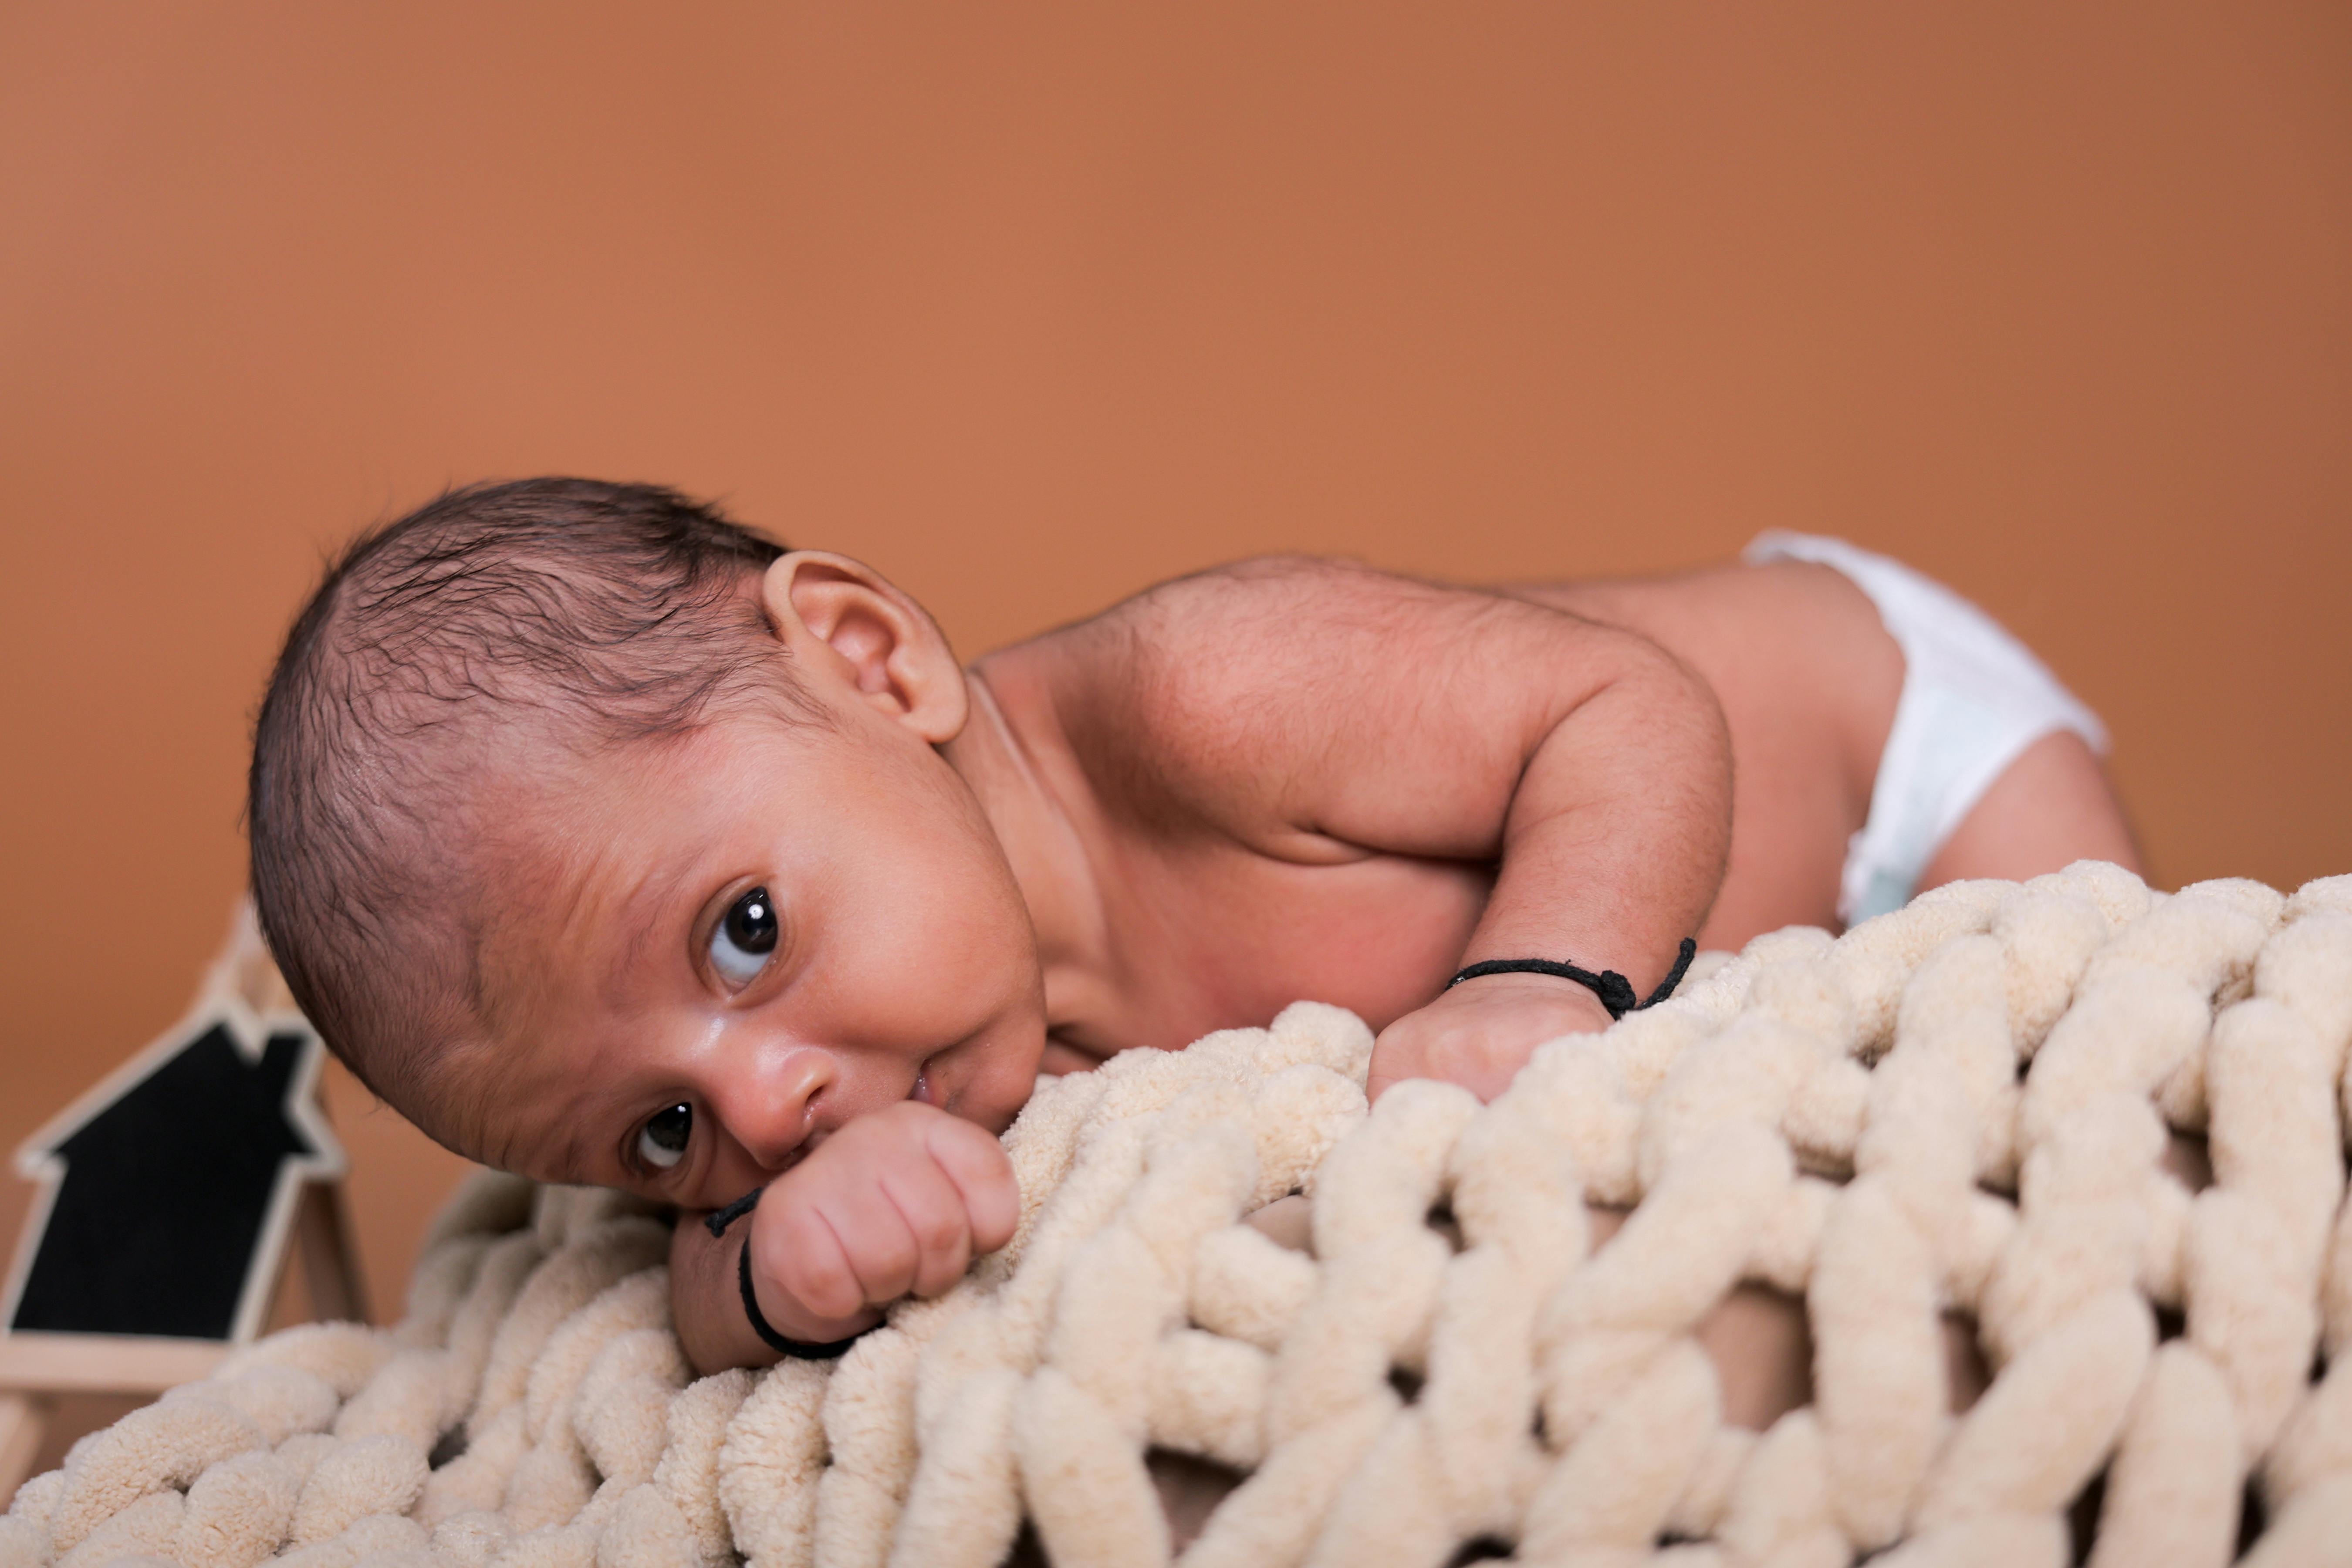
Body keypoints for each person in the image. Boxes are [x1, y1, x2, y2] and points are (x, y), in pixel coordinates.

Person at [245, 478, 2136, 1379]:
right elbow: (711, 1296)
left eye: (743, 934)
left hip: (1890, 758)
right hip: (1758, 957)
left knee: (2096, 1085)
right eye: (659, 1133)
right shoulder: (897, 1071)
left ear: (871, 660)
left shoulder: (1209, 701)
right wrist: (770, 1263)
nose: (768, 1105)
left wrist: (1533, 984)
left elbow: (1633, 717)